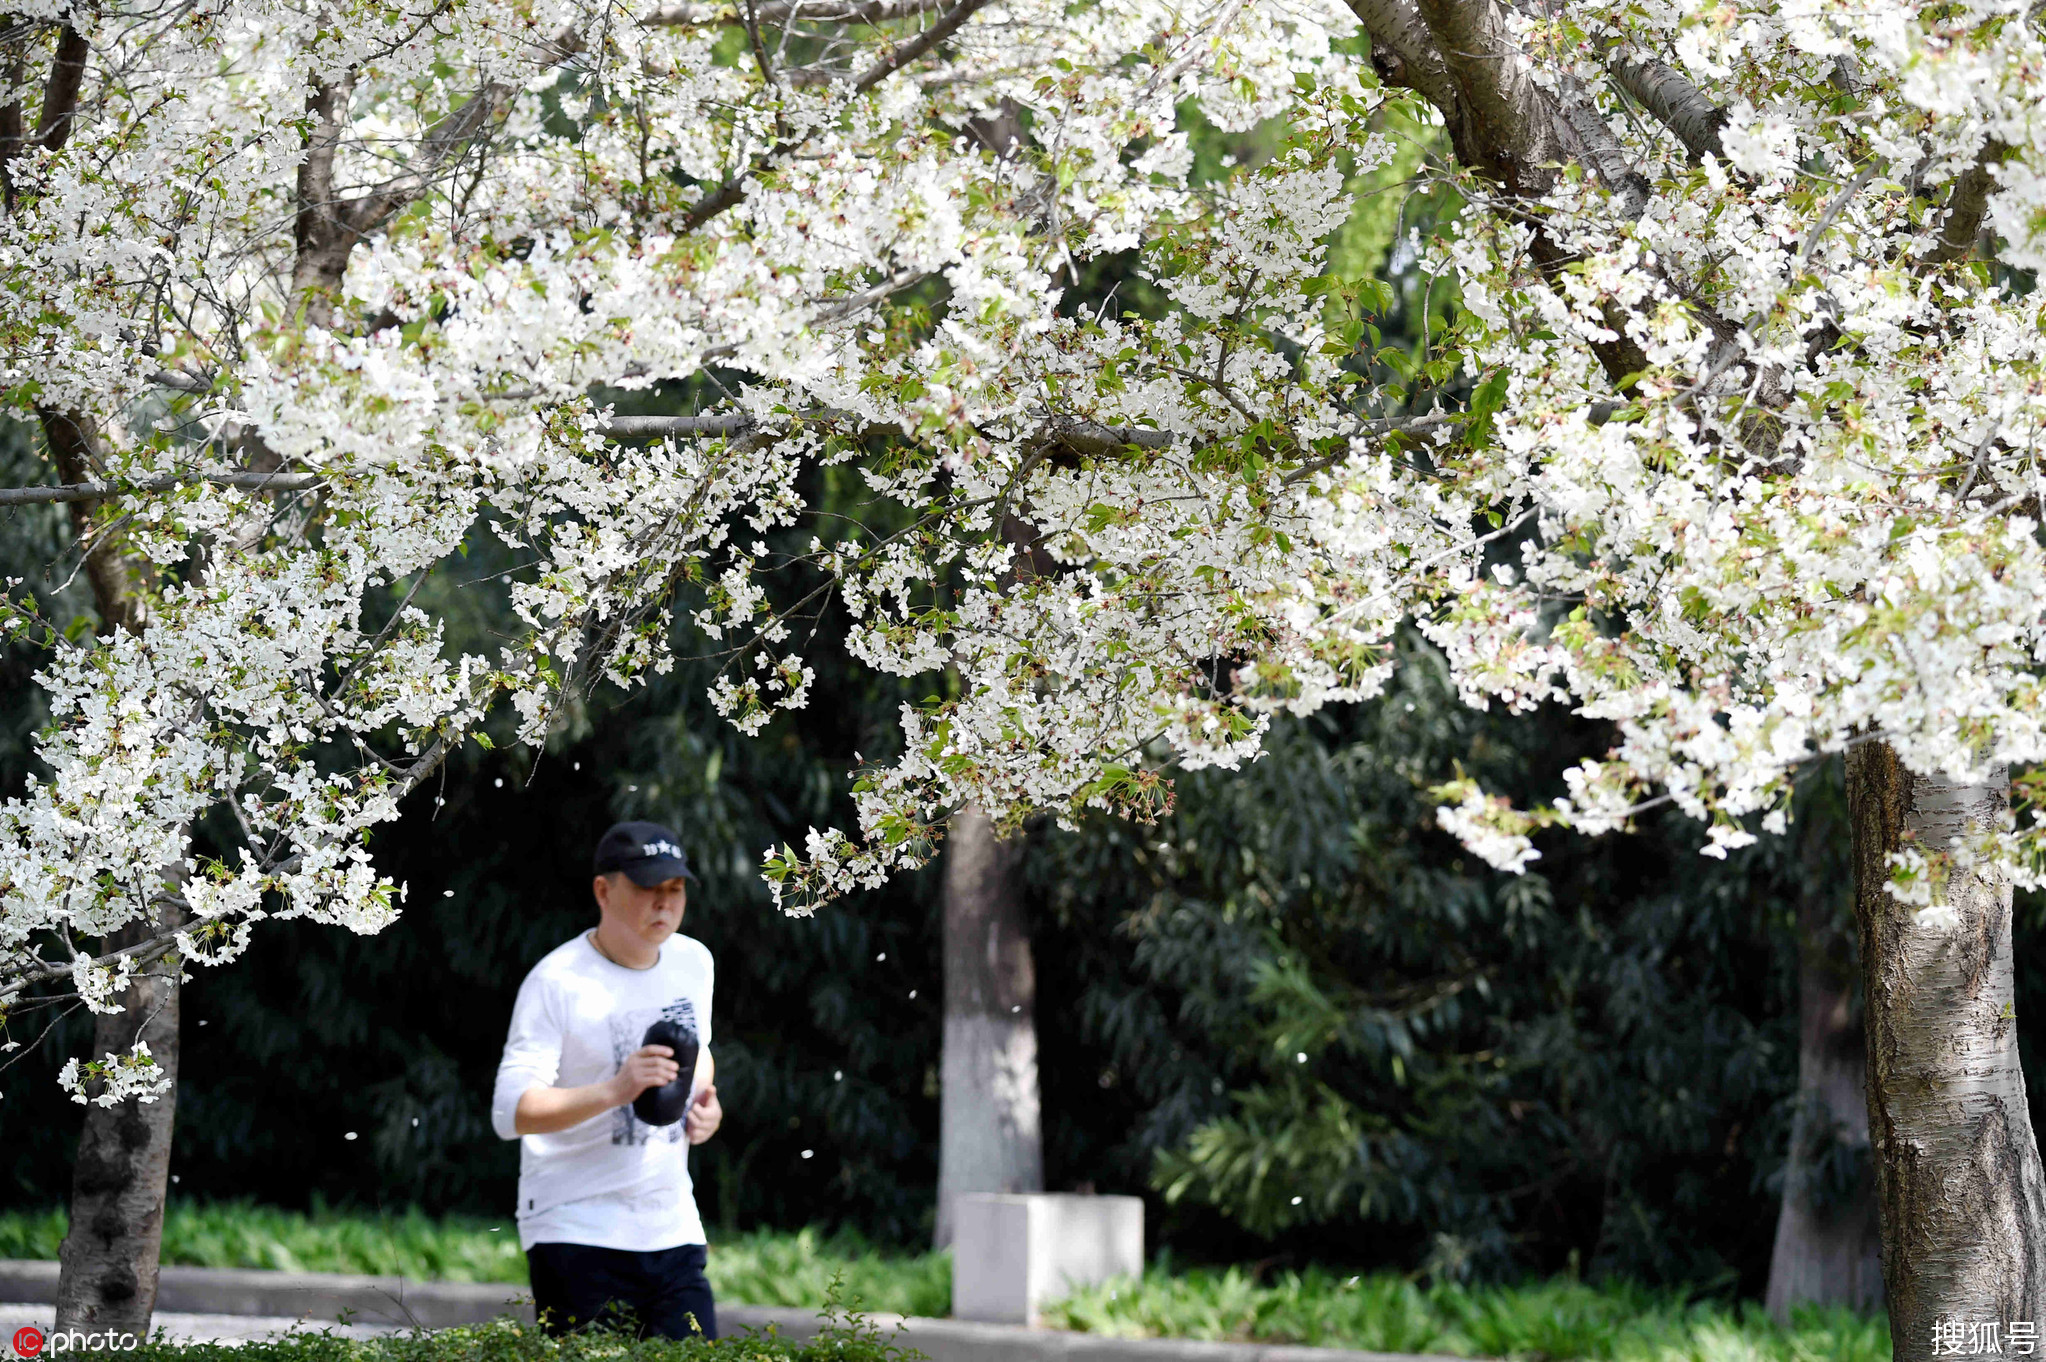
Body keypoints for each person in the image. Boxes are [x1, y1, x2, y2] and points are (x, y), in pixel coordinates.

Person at [491, 821, 725, 1339]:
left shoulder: (694, 961)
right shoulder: (557, 982)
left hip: (671, 1225)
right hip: (575, 1227)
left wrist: (706, 1103)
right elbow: (510, 1113)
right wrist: (615, 1091)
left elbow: (699, 1055)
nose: (664, 904)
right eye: (648, 889)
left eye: (675, 889)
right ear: (604, 889)